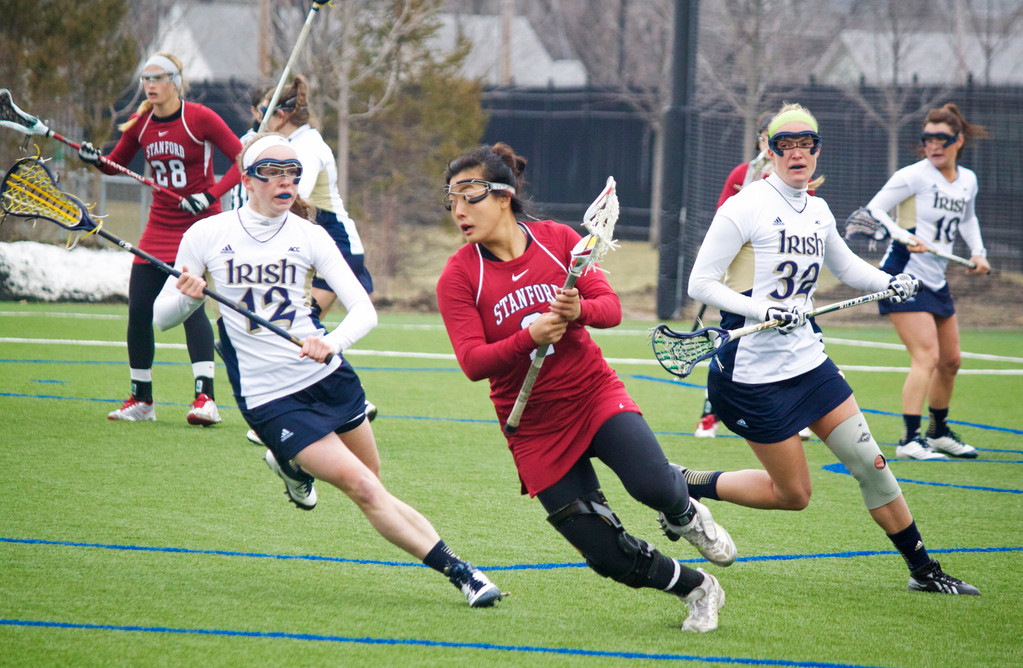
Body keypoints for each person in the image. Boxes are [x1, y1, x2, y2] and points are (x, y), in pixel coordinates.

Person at [152, 134, 502, 608]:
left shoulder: (310, 236)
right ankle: (464, 574)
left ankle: (289, 463)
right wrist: (186, 297)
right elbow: (161, 317)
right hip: (271, 398)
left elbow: (364, 310)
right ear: (249, 180)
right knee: (361, 487)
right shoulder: (206, 236)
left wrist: (331, 342)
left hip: (328, 378)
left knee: (373, 480)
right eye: (273, 172)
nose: (287, 182)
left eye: (293, 174)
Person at [436, 143, 736, 633]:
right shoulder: (459, 275)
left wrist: (580, 312)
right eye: (451, 200)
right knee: (606, 557)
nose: (459, 211)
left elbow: (610, 307)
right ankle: (697, 588)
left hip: (592, 395)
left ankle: (684, 512)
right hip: (532, 428)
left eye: (470, 196)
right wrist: (526, 338)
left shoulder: (558, 241)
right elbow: (472, 363)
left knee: (652, 485)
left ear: (504, 196)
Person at [684, 102, 979, 596]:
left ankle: (924, 571)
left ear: (817, 151)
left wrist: (892, 281)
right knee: (794, 495)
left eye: (807, 144)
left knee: (872, 463)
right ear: (770, 150)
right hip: (753, 375)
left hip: (809, 362)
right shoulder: (745, 206)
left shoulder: (817, 210)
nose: (797, 153)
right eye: (787, 145)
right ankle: (685, 484)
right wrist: (763, 311)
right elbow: (701, 283)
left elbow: (847, 269)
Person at [78, 52, 242, 425]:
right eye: (145, 80)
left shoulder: (199, 117)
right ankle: (142, 399)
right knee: (139, 309)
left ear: (175, 81)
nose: (150, 86)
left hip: (199, 226)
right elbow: (115, 163)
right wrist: (94, 157)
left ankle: (205, 399)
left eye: (158, 78)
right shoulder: (142, 122)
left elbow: (240, 159)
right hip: (159, 226)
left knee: (189, 303)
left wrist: (211, 194)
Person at [863, 102, 991, 461]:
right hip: (903, 275)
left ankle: (937, 432)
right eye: (928, 138)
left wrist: (978, 252)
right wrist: (901, 235)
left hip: (936, 279)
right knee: (927, 357)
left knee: (951, 361)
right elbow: (874, 209)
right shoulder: (914, 175)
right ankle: (908, 440)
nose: (934, 145)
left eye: (942, 138)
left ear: (959, 140)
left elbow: (967, 219)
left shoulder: (967, 180)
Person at [694, 112, 818, 441]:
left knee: (806, 341)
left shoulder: (799, 180)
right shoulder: (743, 174)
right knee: (734, 347)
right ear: (763, 141)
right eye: (768, 137)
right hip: (745, 273)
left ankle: (801, 410)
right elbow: (725, 216)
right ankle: (710, 414)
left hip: (784, 282)